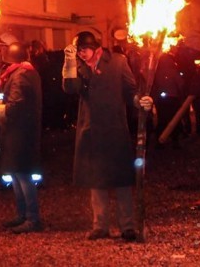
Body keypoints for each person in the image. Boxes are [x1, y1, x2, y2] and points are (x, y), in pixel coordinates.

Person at [61, 30, 153, 241]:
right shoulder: (79, 67)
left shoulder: (118, 62)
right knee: (97, 180)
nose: (82, 54)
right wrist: (69, 62)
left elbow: (130, 90)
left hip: (114, 128)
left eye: (84, 50)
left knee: (121, 180)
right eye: (79, 51)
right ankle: (99, 225)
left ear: (96, 48)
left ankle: (127, 226)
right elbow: (70, 88)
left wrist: (140, 100)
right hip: (90, 129)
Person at [0, 41, 43, 233]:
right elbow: (10, 100)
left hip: (20, 132)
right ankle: (22, 215)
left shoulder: (21, 75)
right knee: (15, 172)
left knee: (22, 173)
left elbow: (15, 107)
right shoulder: (20, 72)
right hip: (16, 131)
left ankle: (32, 218)